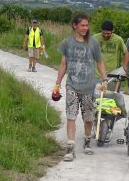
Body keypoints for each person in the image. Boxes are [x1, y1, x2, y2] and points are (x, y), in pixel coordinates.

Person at [53, 13, 107, 162]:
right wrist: (57, 84)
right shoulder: (66, 43)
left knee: (88, 118)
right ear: (74, 26)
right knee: (71, 116)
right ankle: (70, 148)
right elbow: (63, 64)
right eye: (82, 25)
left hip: (89, 86)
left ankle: (87, 141)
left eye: (87, 25)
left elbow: (100, 62)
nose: (85, 28)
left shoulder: (93, 43)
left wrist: (104, 80)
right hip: (72, 85)